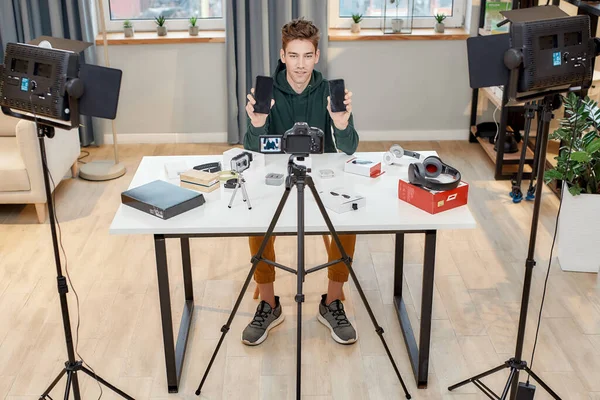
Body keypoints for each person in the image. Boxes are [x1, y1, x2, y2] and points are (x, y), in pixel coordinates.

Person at [241, 18, 360, 347]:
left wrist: (342, 123)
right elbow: (252, 148)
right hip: (276, 173)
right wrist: (256, 123)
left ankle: (331, 301)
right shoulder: (267, 91)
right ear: (282, 55)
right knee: (258, 223)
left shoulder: (328, 90)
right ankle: (268, 303)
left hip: (323, 173)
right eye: (293, 56)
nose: (300, 65)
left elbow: (349, 147)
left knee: (345, 220)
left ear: (317, 56)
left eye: (307, 56)